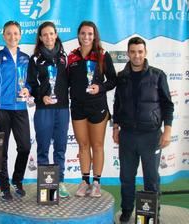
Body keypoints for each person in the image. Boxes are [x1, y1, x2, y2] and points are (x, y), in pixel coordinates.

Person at [113, 36, 174, 222]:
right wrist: (115, 127)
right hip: (128, 136)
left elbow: (168, 105)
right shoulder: (122, 77)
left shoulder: (158, 75)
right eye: (133, 52)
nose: (136, 55)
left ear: (145, 52)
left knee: (152, 178)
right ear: (128, 54)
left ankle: (152, 213)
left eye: (140, 51)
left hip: (151, 136)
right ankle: (126, 209)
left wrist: (168, 130)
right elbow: (117, 104)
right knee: (126, 177)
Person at [67, 21, 116, 197]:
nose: (86, 37)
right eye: (83, 33)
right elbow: (66, 81)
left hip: (97, 107)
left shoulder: (103, 55)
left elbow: (112, 80)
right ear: (78, 35)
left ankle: (96, 182)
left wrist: (100, 88)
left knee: (97, 145)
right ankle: (84, 181)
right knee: (83, 145)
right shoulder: (71, 57)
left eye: (90, 34)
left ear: (95, 36)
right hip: (78, 107)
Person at [0, 21, 31, 201]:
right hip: (1, 110)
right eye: (9, 33)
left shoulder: (26, 58)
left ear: (20, 35)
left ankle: (17, 180)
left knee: (25, 147)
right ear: (3, 36)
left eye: (16, 33)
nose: (13, 37)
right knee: (1, 151)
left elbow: (29, 82)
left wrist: (28, 89)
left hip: (20, 108)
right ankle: (4, 187)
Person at [27, 21, 70, 198]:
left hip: (62, 109)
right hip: (43, 110)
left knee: (60, 148)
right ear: (40, 38)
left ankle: (59, 182)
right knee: (43, 149)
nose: (49, 37)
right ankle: (45, 183)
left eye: (51, 33)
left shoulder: (64, 57)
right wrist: (40, 97)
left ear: (56, 34)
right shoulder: (35, 59)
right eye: (45, 34)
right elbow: (30, 83)